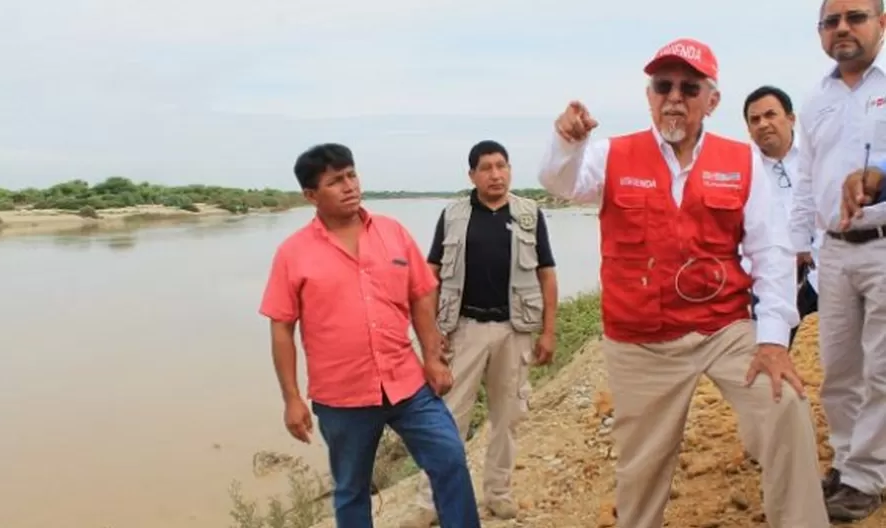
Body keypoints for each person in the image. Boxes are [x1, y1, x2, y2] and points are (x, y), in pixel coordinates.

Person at [537, 38, 828, 528]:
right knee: (642, 468)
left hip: (723, 330)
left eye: (689, 88)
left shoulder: (742, 161)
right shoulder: (612, 156)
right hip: (640, 340)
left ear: (710, 101)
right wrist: (567, 142)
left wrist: (775, 339)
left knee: (787, 407)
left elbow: (772, 252)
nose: (675, 96)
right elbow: (559, 182)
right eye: (663, 86)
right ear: (649, 96)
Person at [259, 143, 481, 528]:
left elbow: (422, 293)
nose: (349, 186)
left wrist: (432, 356)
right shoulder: (293, 253)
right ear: (311, 195)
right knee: (351, 489)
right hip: (341, 396)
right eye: (335, 181)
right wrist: (292, 399)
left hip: (407, 383)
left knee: (448, 458)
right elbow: (281, 326)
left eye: (351, 175)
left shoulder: (392, 233)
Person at [400, 140, 558, 527]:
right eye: (486, 168)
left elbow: (547, 274)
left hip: (515, 331)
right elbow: (430, 274)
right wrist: (431, 334)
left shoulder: (529, 214)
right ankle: (431, 502)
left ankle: (498, 494)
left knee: (508, 417)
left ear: (510, 170)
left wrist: (549, 331)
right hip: (464, 330)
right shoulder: (452, 215)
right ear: (471, 175)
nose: (495, 174)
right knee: (448, 419)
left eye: (501, 166)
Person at [790, 0, 886, 520]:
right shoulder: (815, 100)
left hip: (884, 247)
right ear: (821, 33)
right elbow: (806, 180)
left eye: (855, 17)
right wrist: (797, 245)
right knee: (840, 370)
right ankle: (849, 464)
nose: (843, 29)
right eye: (832, 21)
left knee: (882, 370)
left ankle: (868, 477)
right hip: (832, 253)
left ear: (882, 24)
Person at [742, 85, 823, 345]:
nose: (763, 124)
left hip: (829, 267)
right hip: (773, 279)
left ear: (791, 118)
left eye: (770, 115)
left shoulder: (819, 155)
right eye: (755, 120)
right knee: (767, 356)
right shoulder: (743, 168)